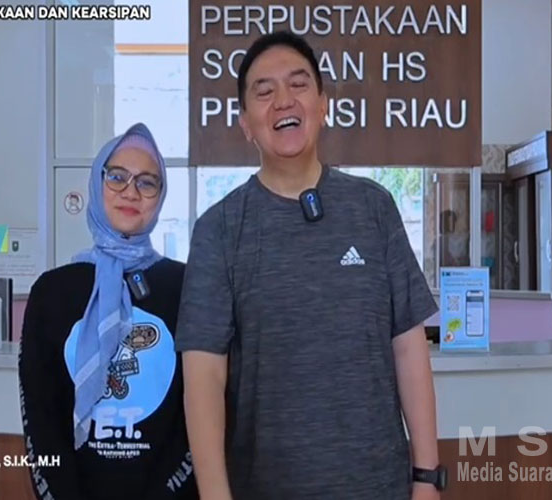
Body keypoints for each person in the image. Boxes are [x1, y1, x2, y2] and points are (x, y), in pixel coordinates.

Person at [176, 32, 444, 499]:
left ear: (323, 106)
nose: (284, 100)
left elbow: (408, 347)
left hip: (379, 486)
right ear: (245, 124)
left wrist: (426, 478)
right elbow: (203, 377)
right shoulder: (219, 229)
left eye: (298, 85)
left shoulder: (373, 207)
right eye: (264, 91)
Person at [19, 123, 197, 500]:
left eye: (147, 182)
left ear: (161, 196)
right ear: (97, 183)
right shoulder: (52, 292)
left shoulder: (188, 287)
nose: (131, 191)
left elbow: (198, 413)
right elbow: (41, 416)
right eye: (117, 177)